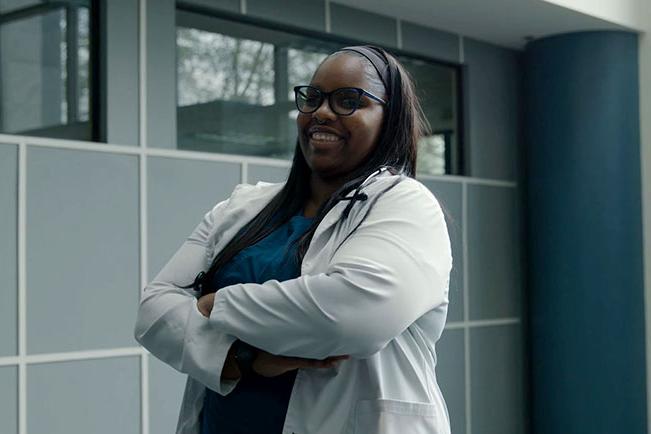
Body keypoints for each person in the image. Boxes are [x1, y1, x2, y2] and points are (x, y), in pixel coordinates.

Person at [134, 44, 453, 434]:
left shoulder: (404, 204)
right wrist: (243, 358)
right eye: (313, 98)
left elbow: (351, 315)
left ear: (390, 118)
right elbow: (154, 310)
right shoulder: (243, 207)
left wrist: (217, 303)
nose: (321, 112)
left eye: (348, 101)